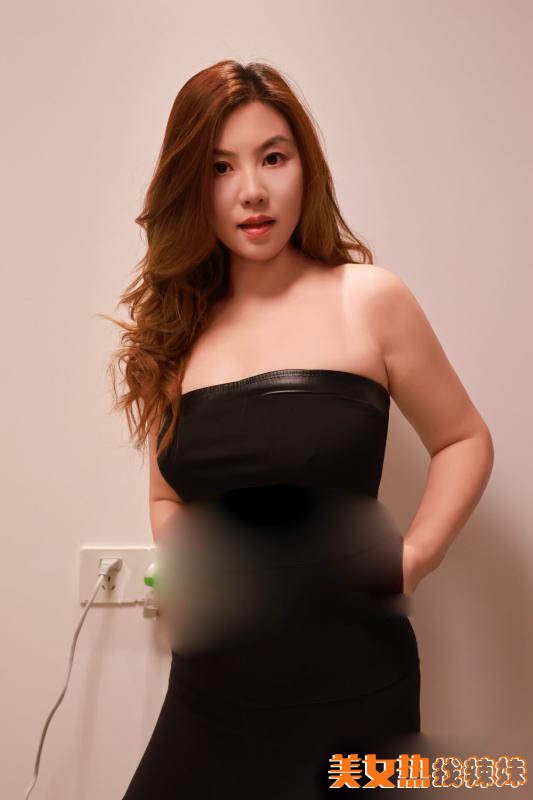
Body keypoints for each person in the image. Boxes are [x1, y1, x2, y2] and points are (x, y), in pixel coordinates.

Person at [103, 60, 494, 799]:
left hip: (356, 690)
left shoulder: (370, 300)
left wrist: (414, 558)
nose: (251, 190)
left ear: (304, 168)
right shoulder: (178, 332)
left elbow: (463, 440)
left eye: (272, 157)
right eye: (221, 167)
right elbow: (167, 495)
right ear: (192, 186)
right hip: (210, 693)